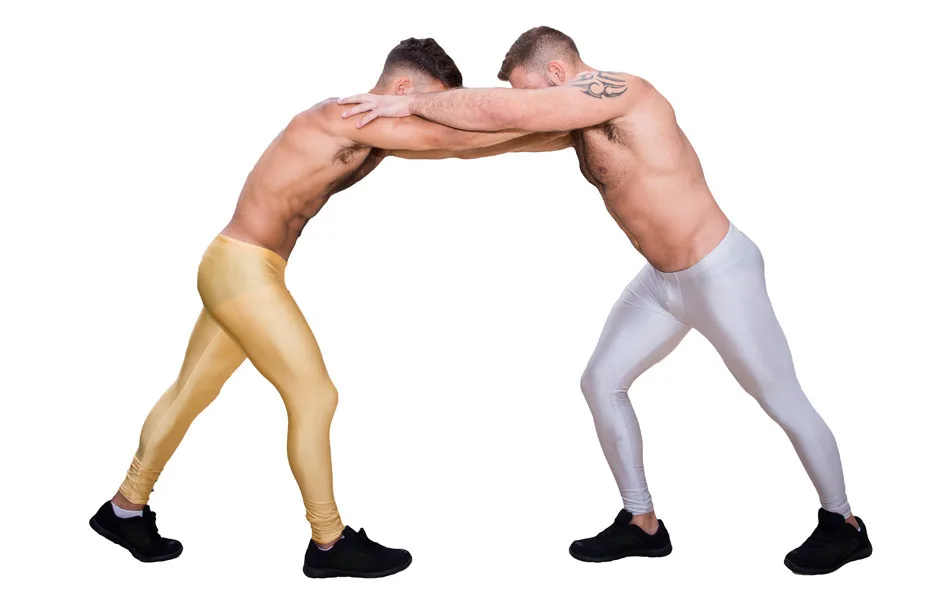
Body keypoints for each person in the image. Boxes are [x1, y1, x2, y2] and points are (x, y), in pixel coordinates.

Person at [338, 26, 871, 575]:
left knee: (781, 398)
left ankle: (844, 524)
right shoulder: (577, 120)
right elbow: (481, 138)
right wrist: (380, 131)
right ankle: (642, 523)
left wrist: (413, 101)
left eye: (529, 92)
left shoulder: (626, 91)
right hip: (663, 282)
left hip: (720, 274)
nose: (528, 105)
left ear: (557, 74)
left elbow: (501, 112)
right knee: (601, 381)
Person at [89, 36, 561, 579]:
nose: (428, 111)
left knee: (191, 391)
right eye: (425, 100)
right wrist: (560, 117)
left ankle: (123, 509)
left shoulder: (375, 133)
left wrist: (569, 132)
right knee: (314, 396)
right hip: (241, 269)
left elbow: (465, 145)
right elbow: (451, 138)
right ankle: (328, 542)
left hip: (240, 268)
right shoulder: (342, 116)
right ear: (401, 88)